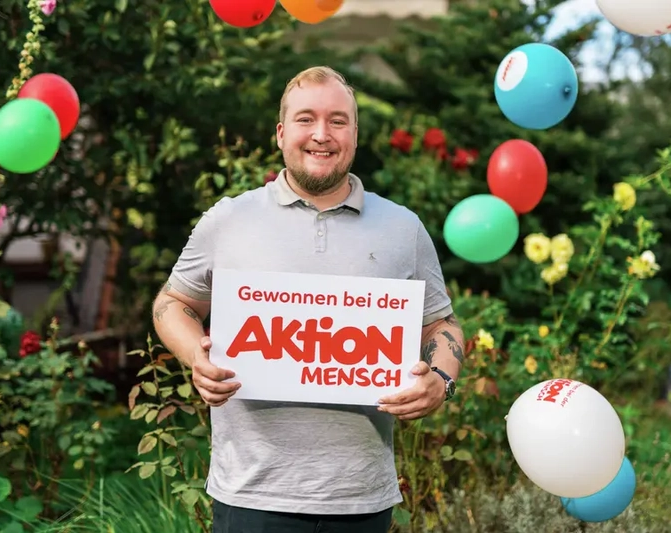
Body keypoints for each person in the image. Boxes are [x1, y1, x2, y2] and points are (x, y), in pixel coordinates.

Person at [151, 66, 465, 533]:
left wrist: (440, 379)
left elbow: (442, 325)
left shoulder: (403, 228)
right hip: (250, 493)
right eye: (306, 119)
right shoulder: (229, 219)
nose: (322, 134)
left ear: (355, 135)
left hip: (361, 498)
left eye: (338, 121)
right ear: (281, 133)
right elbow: (172, 303)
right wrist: (195, 355)